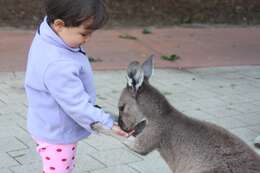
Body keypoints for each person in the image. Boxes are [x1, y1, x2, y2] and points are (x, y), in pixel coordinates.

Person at [24, 0, 129, 172]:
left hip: (45, 121)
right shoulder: (58, 64)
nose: (87, 40)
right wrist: (109, 123)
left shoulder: (49, 31)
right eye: (83, 34)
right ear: (59, 25)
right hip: (57, 134)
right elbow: (77, 105)